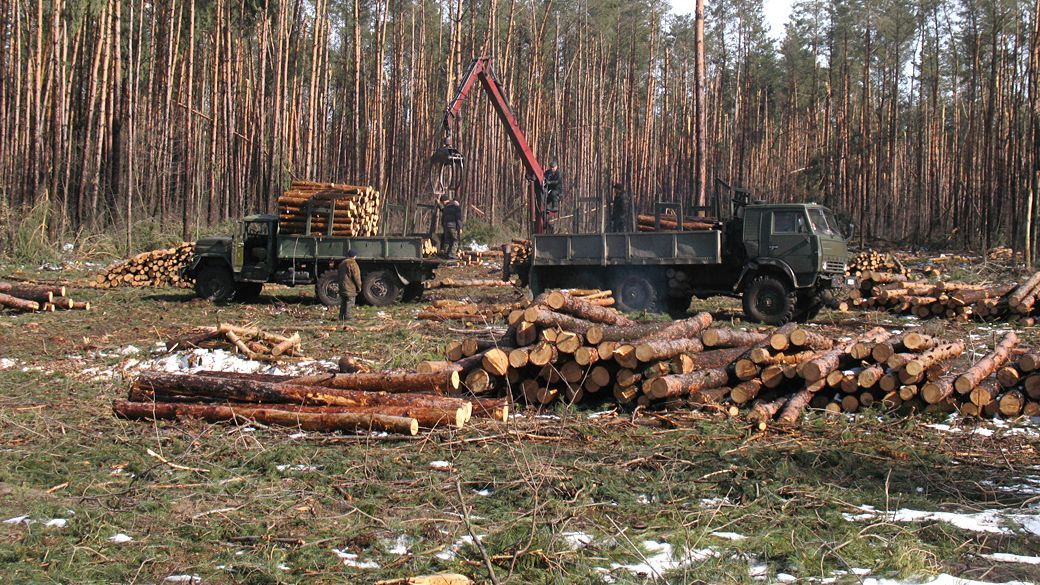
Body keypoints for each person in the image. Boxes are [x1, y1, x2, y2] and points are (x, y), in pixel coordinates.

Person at [337, 250, 362, 320]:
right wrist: (359, 287)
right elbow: (356, 277)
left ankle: (341, 316)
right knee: (350, 301)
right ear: (354, 256)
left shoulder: (342, 263)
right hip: (350, 286)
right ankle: (348, 316)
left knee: (343, 301)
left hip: (342, 285)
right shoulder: (353, 263)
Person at [437, 194, 463, 259]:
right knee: (456, 240)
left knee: (447, 240)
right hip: (453, 226)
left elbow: (443, 210)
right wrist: (460, 228)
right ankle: (452, 254)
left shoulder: (447, 207)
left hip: (446, 226)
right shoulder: (456, 207)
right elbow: (458, 218)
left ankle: (446, 254)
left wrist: (438, 204)